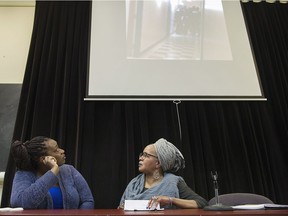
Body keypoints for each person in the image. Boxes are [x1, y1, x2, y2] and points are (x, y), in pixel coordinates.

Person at [119, 138, 208, 209]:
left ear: (158, 163)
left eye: (146, 155)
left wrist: (170, 200)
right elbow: (120, 208)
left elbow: (201, 203)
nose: (141, 158)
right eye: (141, 155)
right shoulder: (134, 183)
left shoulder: (173, 181)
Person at [10, 136, 94, 209]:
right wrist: (53, 172)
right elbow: (19, 202)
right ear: (43, 159)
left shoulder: (69, 170)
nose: (62, 151)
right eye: (56, 150)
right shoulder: (24, 174)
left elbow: (87, 200)